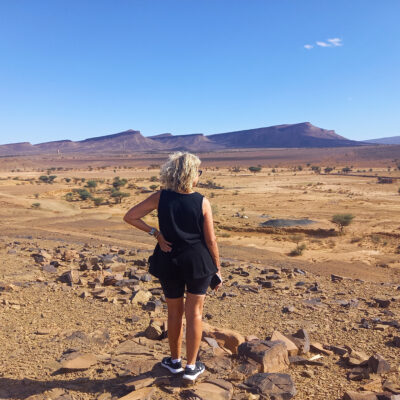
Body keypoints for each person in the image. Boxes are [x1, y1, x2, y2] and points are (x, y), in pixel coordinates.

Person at [123, 151, 222, 381]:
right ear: (190, 174)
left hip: (168, 260)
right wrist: (216, 268)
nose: (199, 175)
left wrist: (156, 234)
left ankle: (175, 362)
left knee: (174, 312)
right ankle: (191, 367)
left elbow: (130, 216)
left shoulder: (160, 197)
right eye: (198, 171)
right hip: (197, 262)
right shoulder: (202, 201)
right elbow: (211, 241)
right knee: (195, 313)